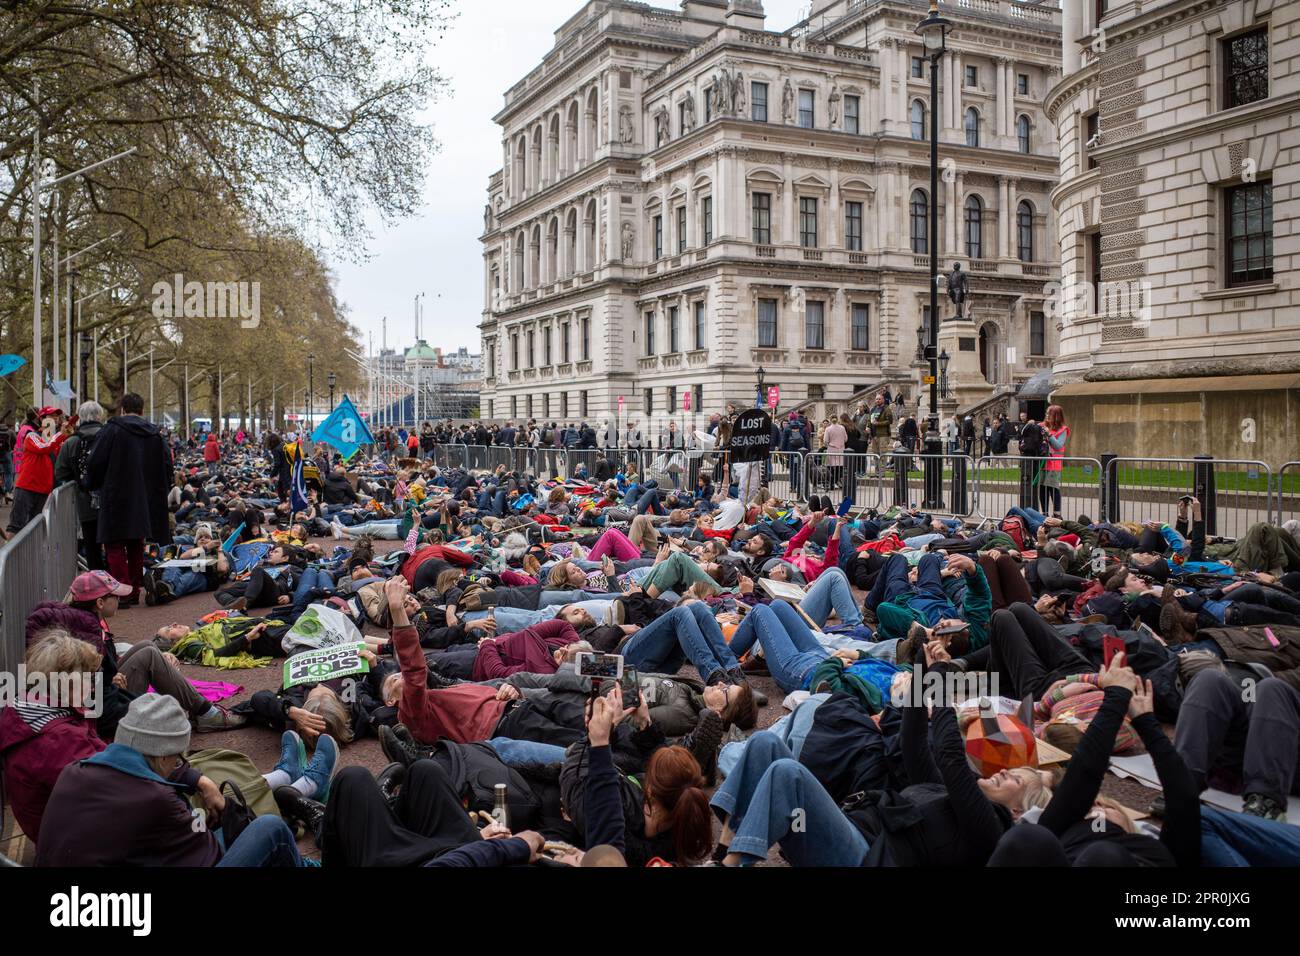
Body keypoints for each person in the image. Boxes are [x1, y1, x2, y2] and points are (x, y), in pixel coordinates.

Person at [37, 693, 320, 867]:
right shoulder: (156, 799)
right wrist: (205, 821)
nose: (179, 764)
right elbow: (210, 858)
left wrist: (201, 782)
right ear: (162, 758)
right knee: (269, 829)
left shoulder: (75, 771)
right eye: (177, 759)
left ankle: (292, 785)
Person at [85, 393, 173, 604]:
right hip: (144, 497)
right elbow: (167, 466)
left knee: (114, 545)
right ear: (142, 410)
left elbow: (95, 461)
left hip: (116, 494)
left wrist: (91, 483)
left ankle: (122, 590)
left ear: (122, 409)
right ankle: (134, 588)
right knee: (136, 544)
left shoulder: (112, 430)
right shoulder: (154, 434)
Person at [54, 401, 107, 571]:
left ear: (80, 418)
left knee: (92, 547)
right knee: (115, 546)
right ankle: (117, 583)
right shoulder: (110, 437)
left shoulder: (71, 442)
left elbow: (60, 473)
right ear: (100, 416)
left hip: (85, 501)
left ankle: (97, 585)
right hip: (111, 500)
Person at [4, 410, 72, 539]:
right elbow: (44, 447)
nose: (55, 419)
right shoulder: (32, 436)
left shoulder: (55, 441)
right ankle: (9, 558)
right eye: (51, 416)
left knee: (35, 527)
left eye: (57, 416)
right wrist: (61, 434)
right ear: (42, 419)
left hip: (44, 490)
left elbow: (60, 457)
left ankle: (28, 558)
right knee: (16, 526)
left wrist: (66, 435)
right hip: (26, 487)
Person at [1040, 404, 1069, 517]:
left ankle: (1057, 515)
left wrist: (1049, 434)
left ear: (1056, 416)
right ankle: (1044, 514)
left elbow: (1058, 446)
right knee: (1043, 489)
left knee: (1053, 488)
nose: (1047, 416)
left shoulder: (1063, 430)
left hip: (1054, 464)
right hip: (1043, 463)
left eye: (1049, 414)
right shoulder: (1042, 426)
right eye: (1046, 413)